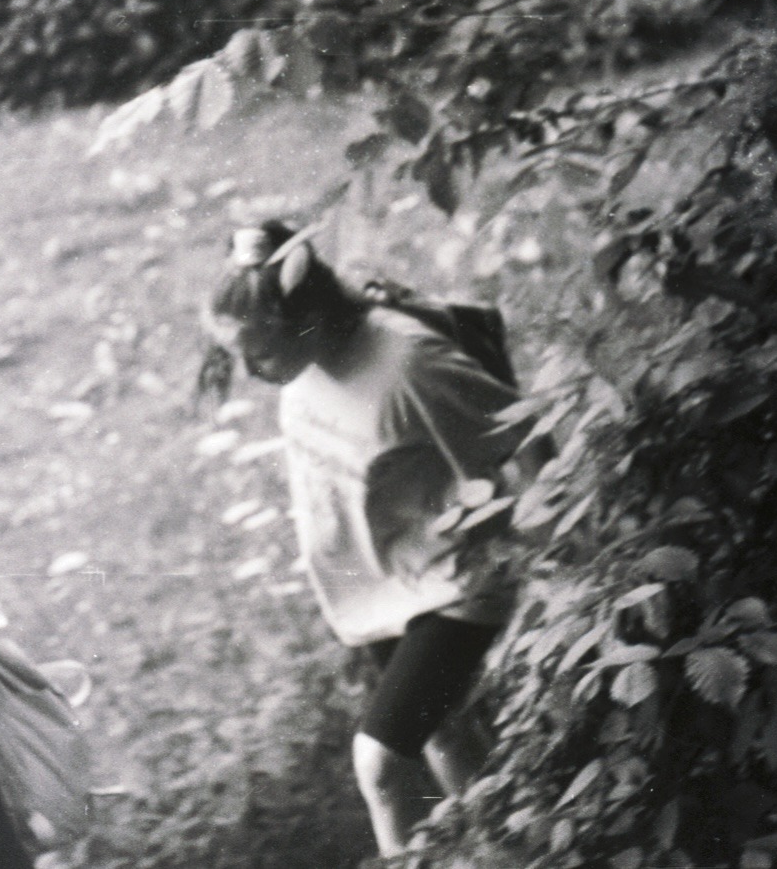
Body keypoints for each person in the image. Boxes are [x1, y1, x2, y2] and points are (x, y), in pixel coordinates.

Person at [208, 220, 538, 856]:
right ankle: (514, 852)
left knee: (380, 764)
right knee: (445, 734)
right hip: (381, 579)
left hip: (454, 582)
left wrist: (561, 547)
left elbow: (523, 434)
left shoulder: (408, 363)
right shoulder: (301, 363)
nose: (250, 371)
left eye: (262, 352)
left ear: (308, 319)